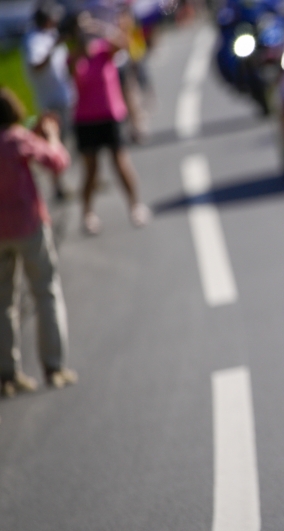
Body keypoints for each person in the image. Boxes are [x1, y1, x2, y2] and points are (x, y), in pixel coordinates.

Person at [0, 87, 78, 396]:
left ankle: (8, 373)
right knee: (46, 292)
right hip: (29, 226)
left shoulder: (16, 139)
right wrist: (51, 135)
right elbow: (57, 161)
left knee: (4, 303)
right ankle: (54, 365)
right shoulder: (17, 139)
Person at [66, 11, 150, 235]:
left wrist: (97, 27)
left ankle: (135, 205)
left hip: (110, 116)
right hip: (85, 120)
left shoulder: (104, 51)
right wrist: (78, 41)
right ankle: (87, 214)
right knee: (91, 170)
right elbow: (71, 71)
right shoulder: (74, 57)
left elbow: (123, 44)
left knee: (120, 162)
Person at [24, 1, 75, 200]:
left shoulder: (50, 36)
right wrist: (54, 46)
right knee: (54, 144)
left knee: (66, 141)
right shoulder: (34, 40)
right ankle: (58, 186)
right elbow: (36, 65)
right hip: (49, 100)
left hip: (62, 96)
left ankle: (63, 182)